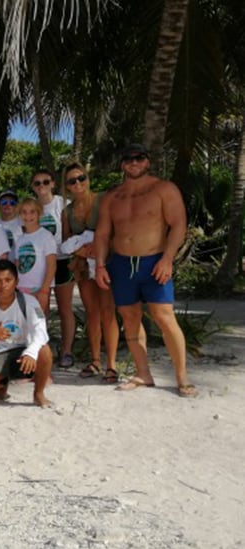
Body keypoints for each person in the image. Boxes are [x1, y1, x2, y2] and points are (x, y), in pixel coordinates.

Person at [95, 144, 196, 397]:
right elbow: (103, 233)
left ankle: (182, 377)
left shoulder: (163, 189)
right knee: (129, 318)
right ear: (122, 165)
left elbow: (178, 225)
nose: (133, 162)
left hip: (154, 262)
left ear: (147, 162)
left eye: (139, 158)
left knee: (164, 316)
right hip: (121, 264)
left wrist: (168, 259)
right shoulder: (112, 197)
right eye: (128, 159)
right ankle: (143, 373)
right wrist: (99, 265)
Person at [62, 163, 120, 383]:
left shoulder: (104, 199)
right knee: (92, 312)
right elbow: (65, 239)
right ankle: (95, 360)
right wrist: (81, 250)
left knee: (108, 311)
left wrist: (101, 247)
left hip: (108, 262)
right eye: (72, 180)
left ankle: (112, 364)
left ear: (88, 178)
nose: (78, 183)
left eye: (81, 178)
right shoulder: (66, 212)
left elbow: (119, 228)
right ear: (66, 186)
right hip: (84, 266)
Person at [0, 260, 52, 407]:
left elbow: (41, 331)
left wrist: (31, 353)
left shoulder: (29, 301)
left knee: (44, 351)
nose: (3, 285)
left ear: (16, 281)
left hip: (22, 352)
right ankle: (2, 383)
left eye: (8, 280)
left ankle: (38, 393)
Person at [31, 169, 76, 368]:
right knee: (42, 309)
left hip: (62, 260)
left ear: (53, 184)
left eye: (45, 182)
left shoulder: (63, 204)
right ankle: (42, 348)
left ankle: (66, 351)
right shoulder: (31, 208)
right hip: (40, 263)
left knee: (65, 307)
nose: (41, 186)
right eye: (37, 183)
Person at [15, 198, 57, 313]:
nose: (28, 216)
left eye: (32, 211)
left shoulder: (46, 236)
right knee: (24, 323)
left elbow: (51, 265)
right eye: (24, 212)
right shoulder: (20, 239)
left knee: (39, 322)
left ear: (39, 213)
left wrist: (44, 290)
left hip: (39, 288)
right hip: (21, 288)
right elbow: (18, 263)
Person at [0, 189, 23, 259]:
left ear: (16, 207)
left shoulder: (24, 223)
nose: (8, 205)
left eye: (12, 203)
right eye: (4, 202)